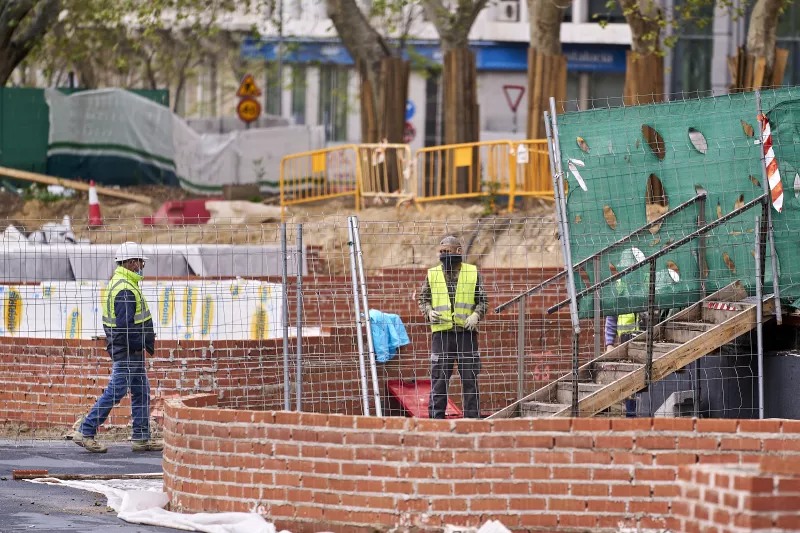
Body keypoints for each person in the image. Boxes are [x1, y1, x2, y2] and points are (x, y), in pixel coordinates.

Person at [68, 242, 162, 453]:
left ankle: (141, 437)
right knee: (116, 391)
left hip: (132, 350)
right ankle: (86, 430)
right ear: (130, 263)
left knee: (141, 392)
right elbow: (125, 326)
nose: (141, 266)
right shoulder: (125, 289)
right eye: (139, 262)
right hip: (128, 351)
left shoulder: (124, 283)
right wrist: (141, 342)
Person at [417, 236, 488, 419]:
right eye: (441, 252)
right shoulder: (432, 274)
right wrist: (428, 312)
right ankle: (436, 419)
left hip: (466, 334)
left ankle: (472, 420)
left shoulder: (472, 272)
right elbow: (423, 299)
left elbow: (482, 301)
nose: (443, 255)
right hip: (441, 335)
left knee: (469, 380)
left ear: (458, 251)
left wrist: (476, 315)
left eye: (446, 252)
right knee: (439, 379)